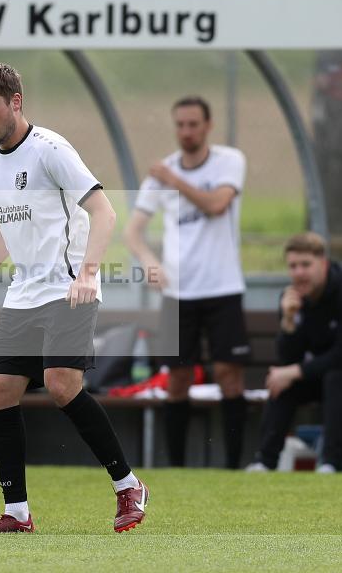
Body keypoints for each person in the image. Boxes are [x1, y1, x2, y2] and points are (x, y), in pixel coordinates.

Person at [0, 61, 147, 534]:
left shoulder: (52, 150)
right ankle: (16, 514)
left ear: (16, 102)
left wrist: (88, 273)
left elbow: (104, 212)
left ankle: (128, 486)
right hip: (24, 293)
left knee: (60, 384)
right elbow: (6, 224)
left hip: (70, 288)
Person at [124, 95, 249, 469]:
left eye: (194, 125)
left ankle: (234, 467)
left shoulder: (229, 161)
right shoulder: (160, 175)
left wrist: (174, 181)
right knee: (176, 377)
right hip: (179, 293)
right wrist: (149, 261)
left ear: (208, 126)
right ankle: (177, 468)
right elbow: (133, 232)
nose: (187, 132)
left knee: (229, 374)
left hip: (223, 287)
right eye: (180, 125)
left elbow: (216, 205)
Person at [244, 232, 342, 473]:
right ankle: (265, 462)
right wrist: (289, 323)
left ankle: (331, 463)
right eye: (293, 266)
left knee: (335, 377)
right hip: (330, 369)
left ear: (323, 264)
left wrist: (294, 371)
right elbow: (287, 360)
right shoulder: (290, 299)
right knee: (282, 382)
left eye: (306, 265)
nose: (299, 272)